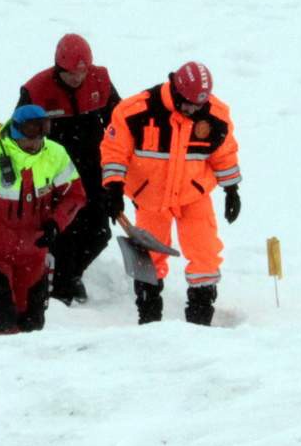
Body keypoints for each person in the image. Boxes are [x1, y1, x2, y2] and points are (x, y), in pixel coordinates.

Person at [101, 61, 243, 325]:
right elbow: (114, 151)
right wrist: (113, 187)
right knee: (148, 258)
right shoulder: (135, 111)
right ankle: (149, 316)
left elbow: (225, 154)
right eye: (187, 103)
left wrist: (231, 189)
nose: (192, 110)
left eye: (198, 105)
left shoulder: (216, 116)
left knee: (205, 255)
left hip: (194, 195)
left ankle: (200, 319)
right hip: (150, 198)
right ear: (175, 90)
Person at [0, 104, 85, 335]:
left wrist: (56, 223)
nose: (36, 141)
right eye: (31, 132)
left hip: (34, 254)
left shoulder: (55, 155)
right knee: (2, 317)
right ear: (16, 132)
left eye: (43, 130)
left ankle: (28, 368)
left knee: (33, 321)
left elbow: (75, 195)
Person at [19, 34, 121, 303]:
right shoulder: (35, 90)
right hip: (56, 172)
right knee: (65, 230)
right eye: (71, 74)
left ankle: (72, 274)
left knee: (100, 231)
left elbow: (120, 125)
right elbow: (18, 133)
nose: (78, 79)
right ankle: (62, 282)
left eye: (82, 72)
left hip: (94, 167)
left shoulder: (100, 81)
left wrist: (118, 181)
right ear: (58, 68)